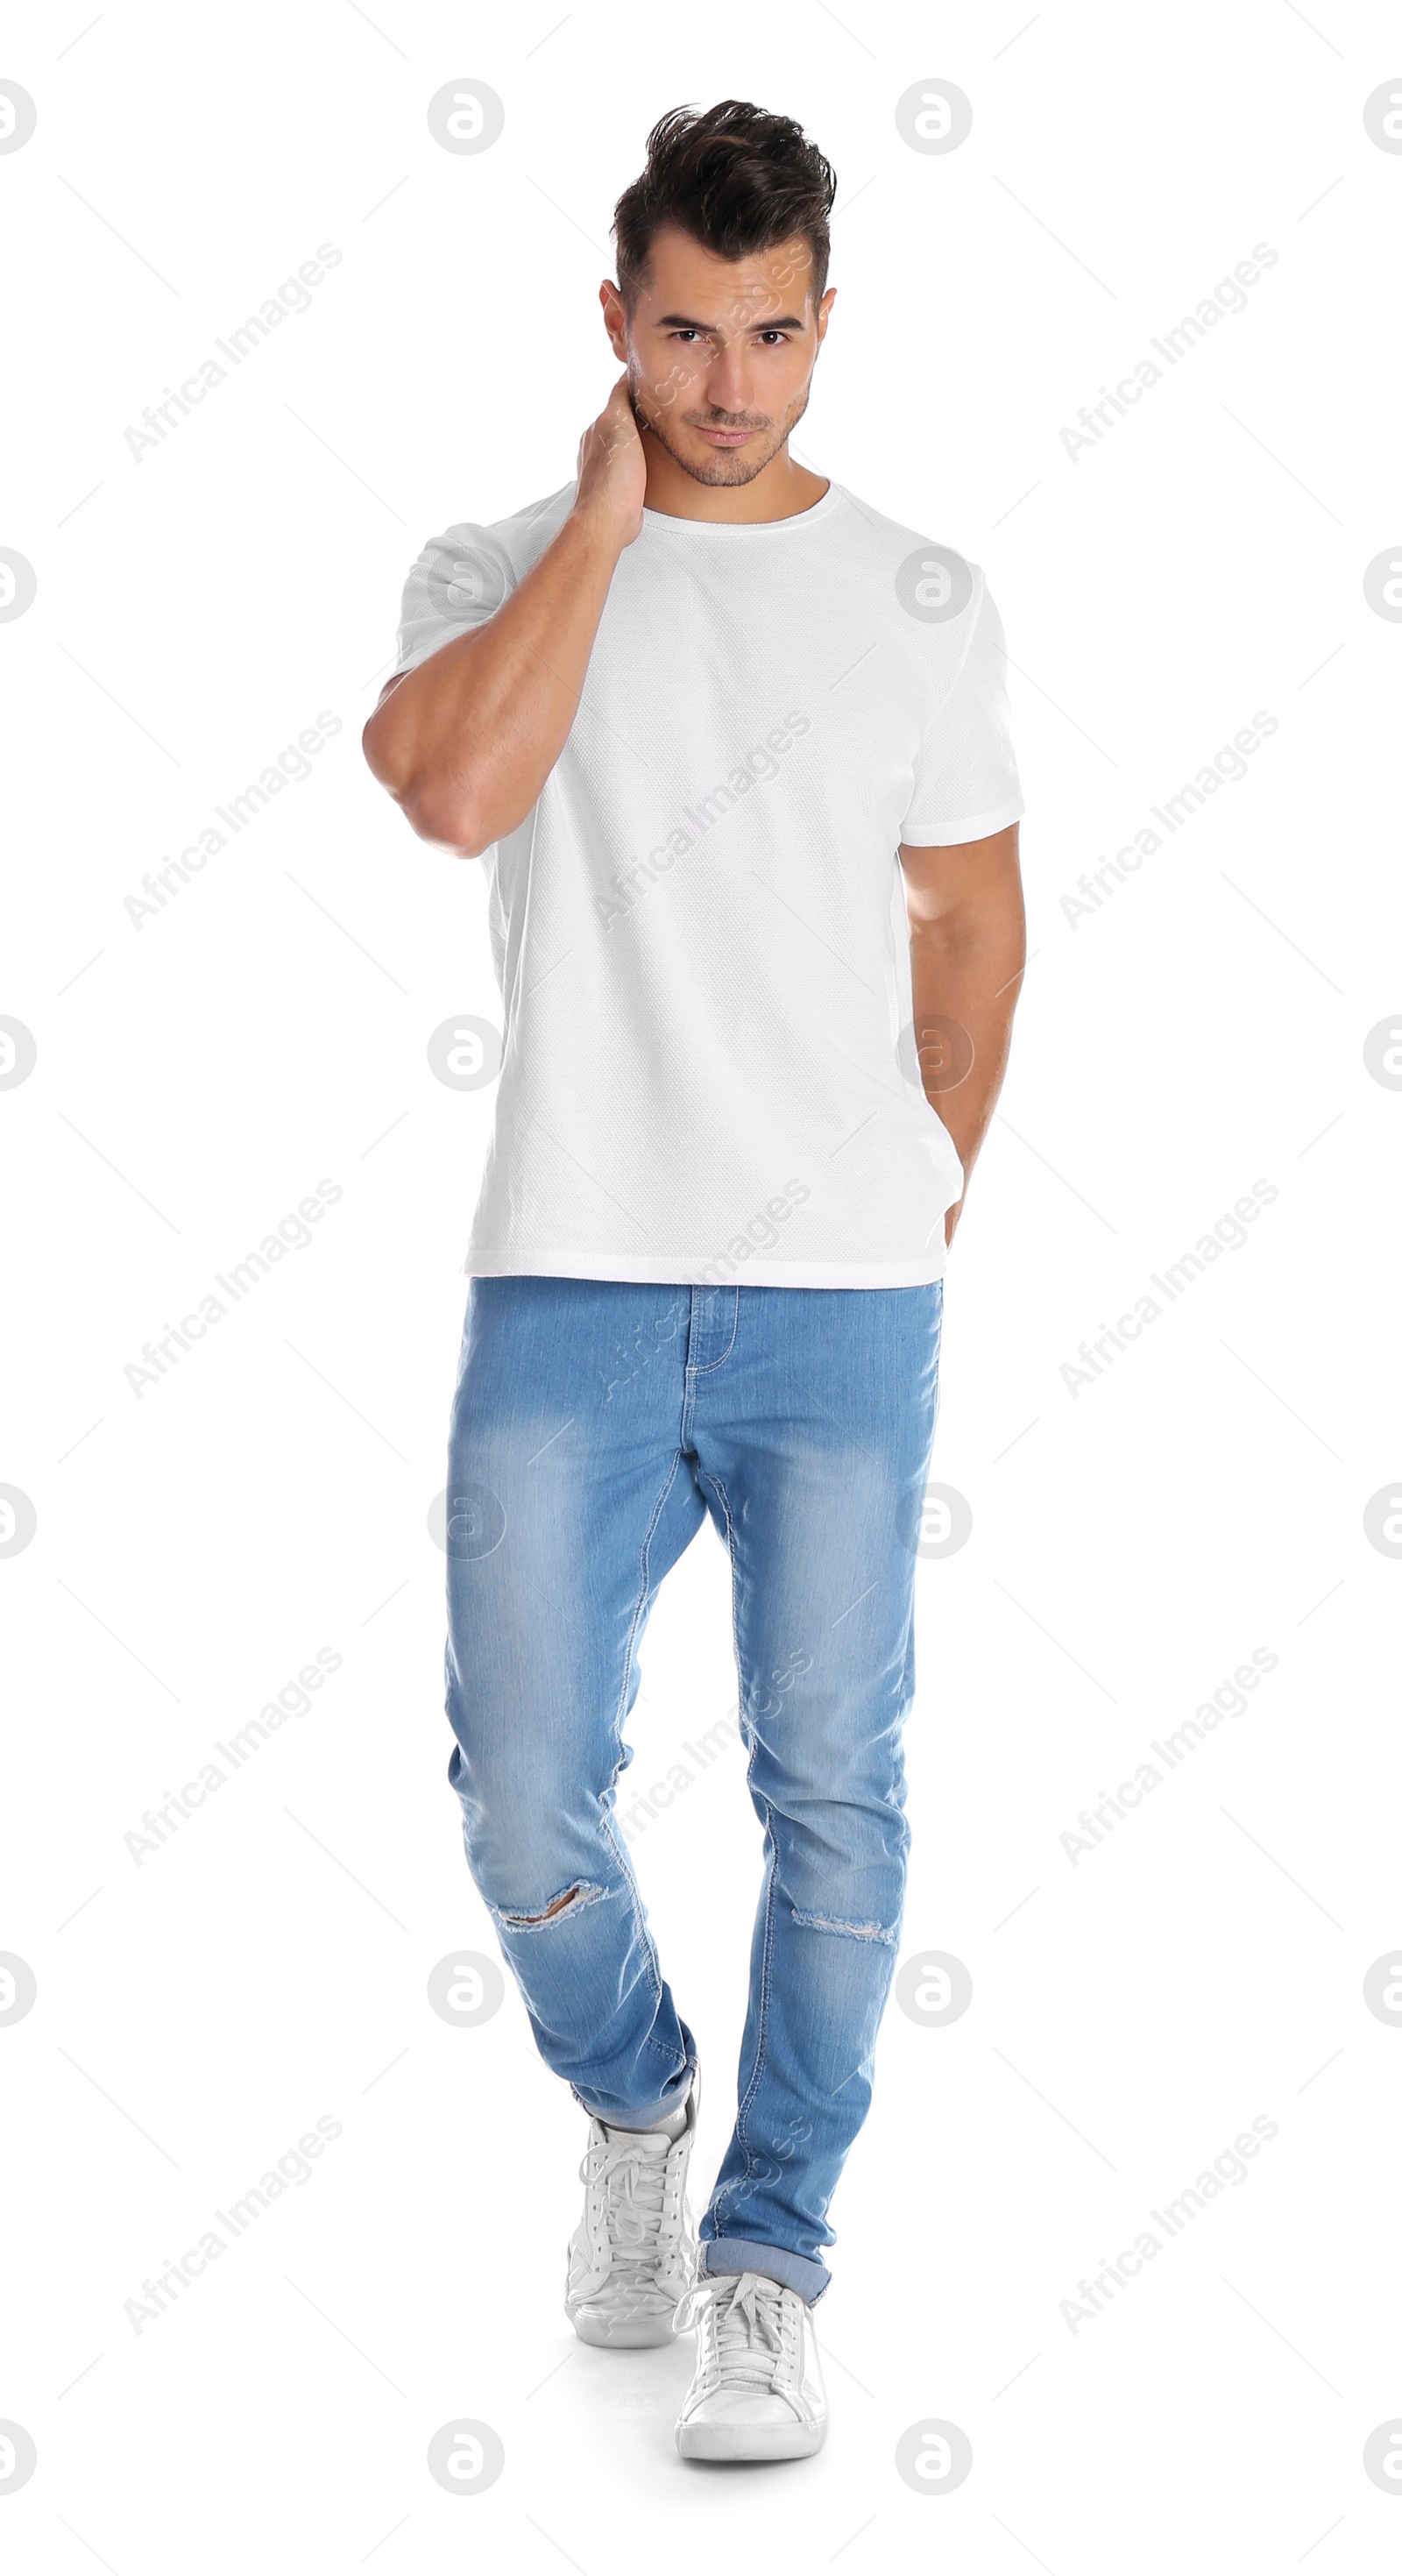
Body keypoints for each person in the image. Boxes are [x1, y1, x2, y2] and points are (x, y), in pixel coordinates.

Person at [363, 97, 1025, 2465]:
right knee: (520, 1780)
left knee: (833, 1788)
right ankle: (631, 2095)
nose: (731, 382)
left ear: (827, 326)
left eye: (770, 336)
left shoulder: (920, 593)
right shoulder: (497, 556)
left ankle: (769, 2259)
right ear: (616, 322)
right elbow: (450, 790)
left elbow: (973, 911)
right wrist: (608, 528)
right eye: (685, 332)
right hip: (568, 1270)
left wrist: (924, 1182)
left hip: (840, 1295)